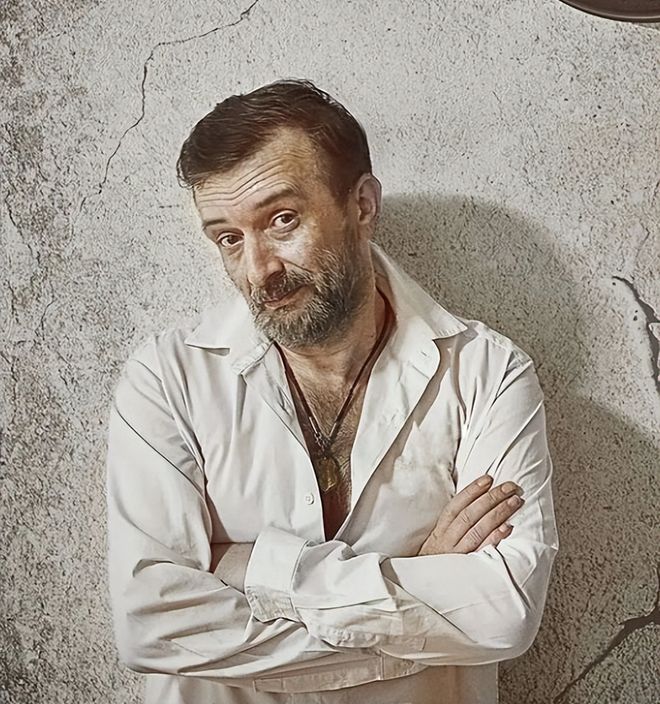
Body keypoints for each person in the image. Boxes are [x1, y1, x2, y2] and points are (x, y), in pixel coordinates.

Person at [105, 79, 559, 704]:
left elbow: (503, 613)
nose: (259, 270)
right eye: (229, 238)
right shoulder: (167, 380)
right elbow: (152, 628)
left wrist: (247, 565)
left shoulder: (486, 373)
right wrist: (422, 589)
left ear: (363, 205)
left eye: (282, 220)